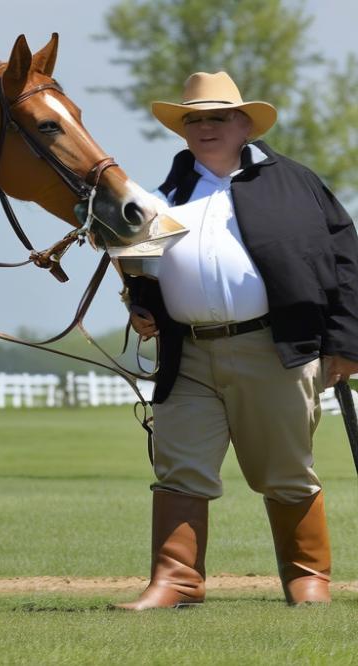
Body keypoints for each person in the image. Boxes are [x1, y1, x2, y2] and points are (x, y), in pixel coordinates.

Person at [115, 71, 358, 610]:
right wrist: (141, 309)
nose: (205, 127)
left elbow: (345, 262)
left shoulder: (298, 183)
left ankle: (306, 580)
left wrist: (345, 342)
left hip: (274, 348)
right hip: (189, 353)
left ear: (245, 123)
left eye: (218, 117)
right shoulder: (161, 198)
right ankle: (176, 583)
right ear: (182, 130)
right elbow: (141, 274)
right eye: (194, 119)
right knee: (179, 465)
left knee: (287, 468)